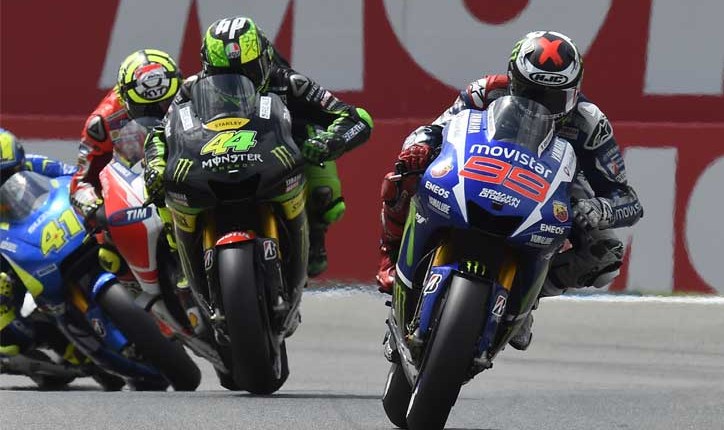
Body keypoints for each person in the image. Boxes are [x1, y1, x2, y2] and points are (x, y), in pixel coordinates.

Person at [375, 31, 643, 350]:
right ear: (514, 80)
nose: (541, 104)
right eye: (532, 92)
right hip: (476, 167)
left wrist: (599, 209)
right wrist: (418, 146)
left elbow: (627, 199)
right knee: (403, 175)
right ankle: (390, 257)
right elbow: (435, 129)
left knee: (606, 254)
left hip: (552, 191)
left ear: (575, 91)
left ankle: (526, 301)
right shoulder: (485, 91)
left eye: (554, 97)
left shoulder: (590, 122)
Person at [144, 16, 374, 277]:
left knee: (324, 188)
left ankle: (315, 236)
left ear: (266, 58)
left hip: (281, 153)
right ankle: (179, 250)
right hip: (213, 156)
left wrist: (330, 141)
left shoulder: (291, 83)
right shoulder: (190, 89)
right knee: (159, 183)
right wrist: (156, 166)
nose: (239, 81)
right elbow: (159, 133)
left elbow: (355, 117)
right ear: (208, 69)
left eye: (248, 71)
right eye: (224, 75)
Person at [69, 49, 182, 224]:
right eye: (147, 109)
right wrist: (96, 209)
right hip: (135, 199)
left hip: (182, 175)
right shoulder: (102, 122)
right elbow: (81, 183)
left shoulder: (190, 92)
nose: (162, 114)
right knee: (103, 237)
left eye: (168, 103)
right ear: (125, 100)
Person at [0, 128, 77, 358]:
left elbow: (77, 177)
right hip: (12, 251)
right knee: (9, 339)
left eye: (8, 174)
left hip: (52, 229)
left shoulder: (33, 164)